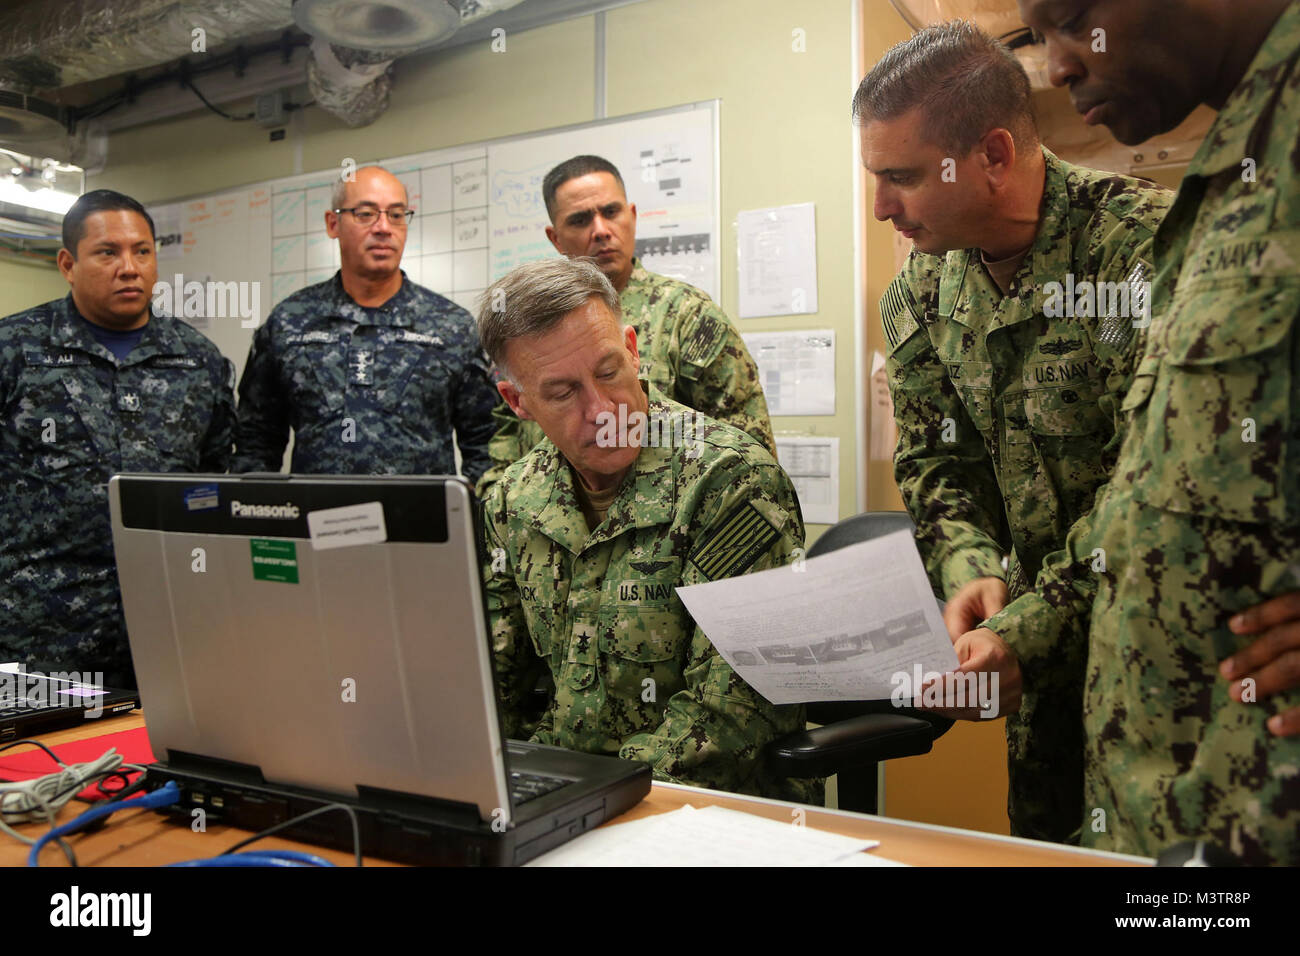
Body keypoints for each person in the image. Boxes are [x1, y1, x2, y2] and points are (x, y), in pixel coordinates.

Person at [949, 0, 1300, 864]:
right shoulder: (1236, 169)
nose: (1060, 64)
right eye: (1037, 37)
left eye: (1072, 15)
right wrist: (1023, 633)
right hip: (1172, 801)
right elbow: (1153, 490)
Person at [857, 20, 1173, 843]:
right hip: (1032, 680)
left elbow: (1150, 495)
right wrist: (970, 572)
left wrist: (1026, 627)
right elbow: (934, 461)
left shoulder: (1144, 256)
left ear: (993, 157)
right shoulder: (920, 292)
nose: (882, 207)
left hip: (1162, 670)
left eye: (902, 178)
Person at [479, 256, 816, 803]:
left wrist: (583, 802)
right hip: (563, 799)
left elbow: (731, 721)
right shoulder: (513, 501)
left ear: (633, 351)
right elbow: (493, 686)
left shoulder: (728, 480)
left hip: (705, 813)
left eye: (610, 372)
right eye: (563, 393)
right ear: (519, 403)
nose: (600, 409)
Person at [0, 189, 235, 689]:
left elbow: (215, 484)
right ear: (68, 263)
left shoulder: (199, 361)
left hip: (166, 626)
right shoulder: (14, 350)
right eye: (107, 252)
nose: (129, 267)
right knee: (40, 769)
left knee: (158, 763)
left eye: (142, 251)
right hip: (36, 635)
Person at [475, 155, 773, 496]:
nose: (601, 231)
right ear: (555, 238)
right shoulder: (525, 331)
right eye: (580, 220)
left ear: (631, 216)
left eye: (611, 212)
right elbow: (505, 446)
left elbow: (749, 451)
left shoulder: (688, 315)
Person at [233, 165, 499, 483]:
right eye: (365, 213)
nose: (384, 227)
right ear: (333, 223)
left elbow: (486, 443)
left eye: (397, 215)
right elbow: (256, 443)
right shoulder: (291, 321)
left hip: (423, 526)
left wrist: (467, 515)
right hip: (315, 524)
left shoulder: (450, 325)